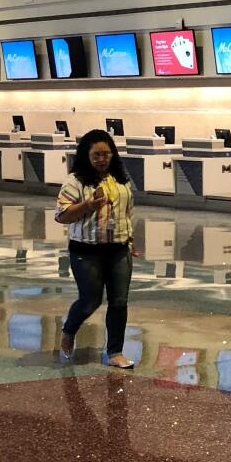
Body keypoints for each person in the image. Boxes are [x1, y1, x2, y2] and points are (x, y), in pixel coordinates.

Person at [55, 130, 136, 368]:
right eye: (96, 155)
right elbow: (61, 215)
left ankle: (115, 352)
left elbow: (127, 212)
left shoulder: (121, 179)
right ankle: (69, 330)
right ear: (86, 156)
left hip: (119, 249)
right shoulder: (75, 181)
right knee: (90, 301)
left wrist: (130, 240)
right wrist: (88, 205)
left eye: (106, 154)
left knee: (119, 301)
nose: (102, 159)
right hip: (86, 251)